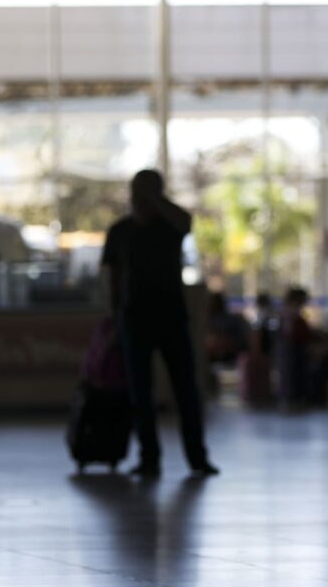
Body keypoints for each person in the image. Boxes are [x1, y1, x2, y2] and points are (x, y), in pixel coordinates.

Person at [101, 169, 218, 478]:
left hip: (171, 317)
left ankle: (197, 457)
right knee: (140, 392)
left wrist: (156, 199)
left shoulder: (170, 226)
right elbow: (112, 280)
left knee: (186, 390)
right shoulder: (120, 231)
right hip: (134, 320)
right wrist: (113, 320)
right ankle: (149, 458)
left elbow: (186, 222)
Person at [277, 287, 314, 408]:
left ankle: (294, 396)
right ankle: (293, 396)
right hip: (293, 349)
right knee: (292, 374)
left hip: (294, 348)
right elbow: (292, 333)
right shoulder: (290, 314)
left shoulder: (289, 313)